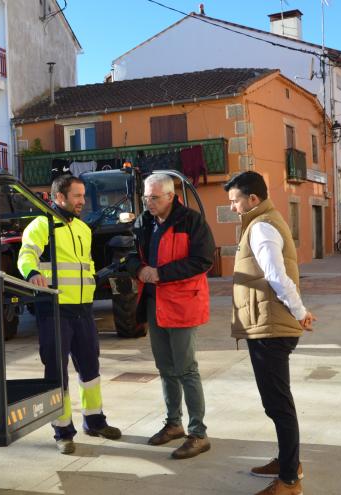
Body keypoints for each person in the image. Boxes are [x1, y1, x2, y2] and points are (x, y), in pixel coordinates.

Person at [224, 171, 317, 495]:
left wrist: (300, 312)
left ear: (252, 199)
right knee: (277, 402)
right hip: (267, 324)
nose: (233, 207)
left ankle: (289, 481)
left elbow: (277, 276)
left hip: (270, 328)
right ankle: (287, 462)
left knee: (278, 404)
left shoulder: (261, 226)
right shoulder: (263, 222)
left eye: (235, 201)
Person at [17, 174, 121, 455]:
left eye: (83, 195)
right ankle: (63, 432)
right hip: (54, 311)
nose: (82, 201)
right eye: (77, 196)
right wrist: (33, 272)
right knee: (56, 374)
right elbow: (26, 255)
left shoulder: (83, 229)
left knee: (91, 370)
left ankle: (95, 421)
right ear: (59, 197)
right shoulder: (41, 225)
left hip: (83, 311)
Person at [124, 173, 216, 459]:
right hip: (155, 304)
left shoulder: (191, 221)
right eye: (145, 198)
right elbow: (129, 254)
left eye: (154, 198)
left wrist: (160, 273)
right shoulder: (144, 222)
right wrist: (139, 269)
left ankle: (198, 433)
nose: (148, 203)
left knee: (186, 369)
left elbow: (203, 260)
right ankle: (173, 424)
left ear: (170, 196)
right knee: (165, 368)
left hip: (183, 304)